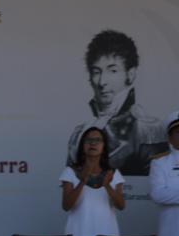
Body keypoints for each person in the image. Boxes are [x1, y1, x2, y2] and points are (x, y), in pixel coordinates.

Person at [66, 30, 167, 176]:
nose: (102, 82)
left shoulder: (149, 131)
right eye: (96, 72)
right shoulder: (78, 135)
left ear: (130, 75)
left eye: (112, 71)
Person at [60, 126, 124, 236]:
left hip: (106, 229)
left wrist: (107, 185)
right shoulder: (71, 172)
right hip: (80, 230)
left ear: (104, 147)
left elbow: (121, 205)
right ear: (83, 145)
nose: (93, 144)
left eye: (97, 140)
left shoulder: (112, 173)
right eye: (89, 140)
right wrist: (83, 180)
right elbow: (67, 205)